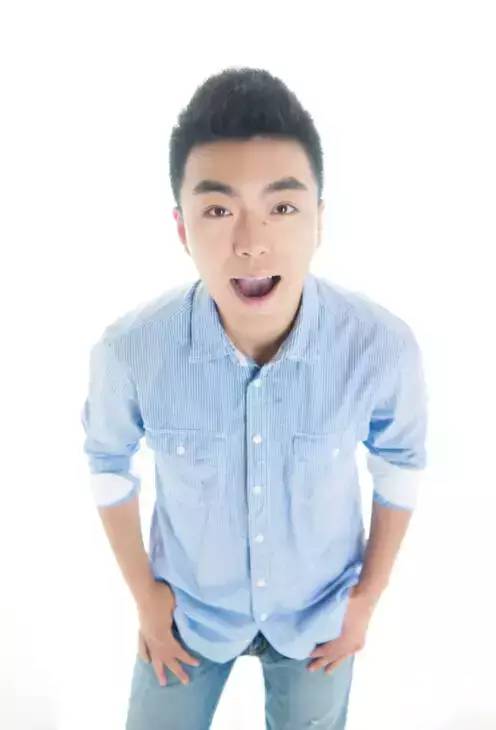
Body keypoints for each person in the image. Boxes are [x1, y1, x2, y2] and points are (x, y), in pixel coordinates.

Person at [81, 66, 428, 730]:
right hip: (188, 616)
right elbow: (107, 462)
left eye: (282, 206)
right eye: (218, 210)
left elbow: (400, 464)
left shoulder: (381, 346)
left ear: (319, 219)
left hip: (319, 618)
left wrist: (365, 601)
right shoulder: (129, 351)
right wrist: (146, 599)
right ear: (182, 227)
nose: (250, 242)